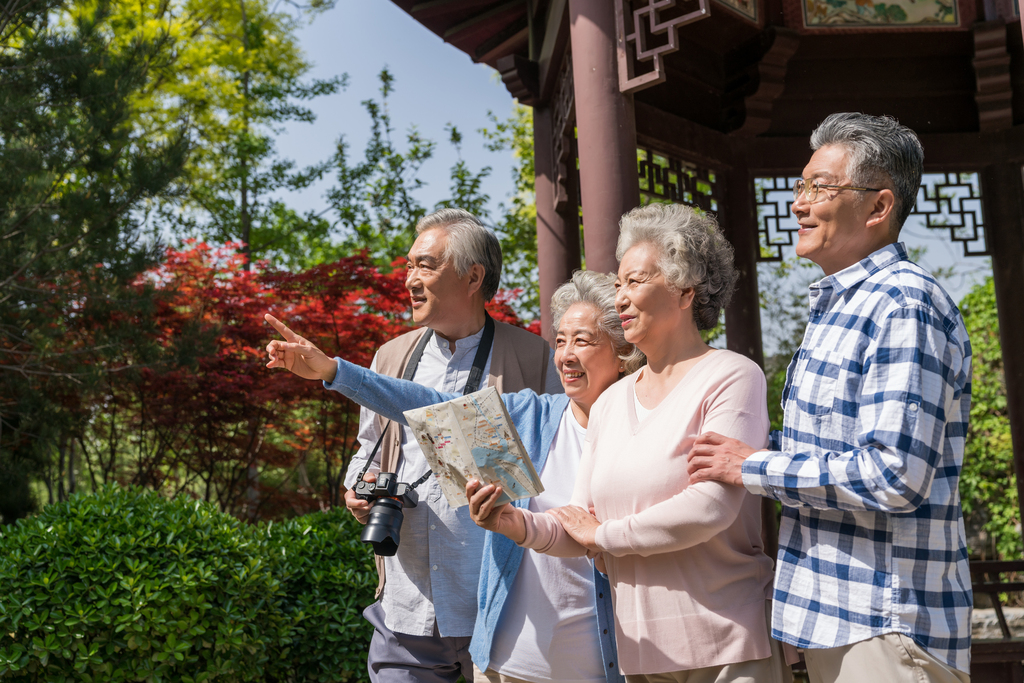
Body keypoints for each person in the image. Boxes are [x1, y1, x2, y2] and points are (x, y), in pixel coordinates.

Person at [687, 113, 973, 683]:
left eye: (820, 187)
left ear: (878, 207)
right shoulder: (840, 307)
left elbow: (894, 474)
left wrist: (752, 467)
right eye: (801, 185)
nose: (798, 203)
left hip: (886, 625)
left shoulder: (902, 304)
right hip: (837, 623)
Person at [470, 203, 790, 683]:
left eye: (635, 282)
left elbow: (709, 509)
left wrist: (603, 538)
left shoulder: (730, 375)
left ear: (685, 291)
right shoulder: (611, 403)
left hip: (728, 647)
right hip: (640, 656)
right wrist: (514, 523)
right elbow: (578, 523)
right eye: (618, 283)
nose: (619, 297)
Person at [266, 271, 637, 683]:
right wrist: (335, 371)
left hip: (603, 661)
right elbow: (431, 406)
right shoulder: (531, 417)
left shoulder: (643, 436)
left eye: (581, 341)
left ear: (624, 352)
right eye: (561, 340)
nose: (565, 355)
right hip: (505, 663)